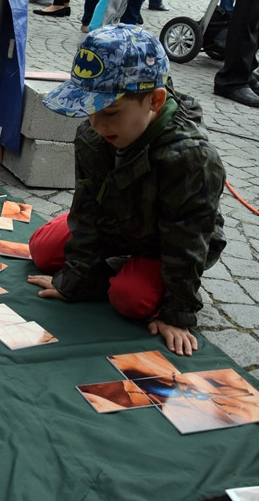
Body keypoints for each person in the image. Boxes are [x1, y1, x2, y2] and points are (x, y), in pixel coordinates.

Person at [26, 25, 227, 356]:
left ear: (155, 101)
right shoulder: (94, 135)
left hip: (164, 243)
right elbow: (86, 206)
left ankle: (125, 271)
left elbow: (189, 239)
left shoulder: (191, 157)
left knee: (131, 299)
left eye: (110, 113)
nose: (97, 124)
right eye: (89, 110)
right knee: (43, 251)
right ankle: (104, 269)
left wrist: (178, 313)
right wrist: (73, 282)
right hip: (117, 220)